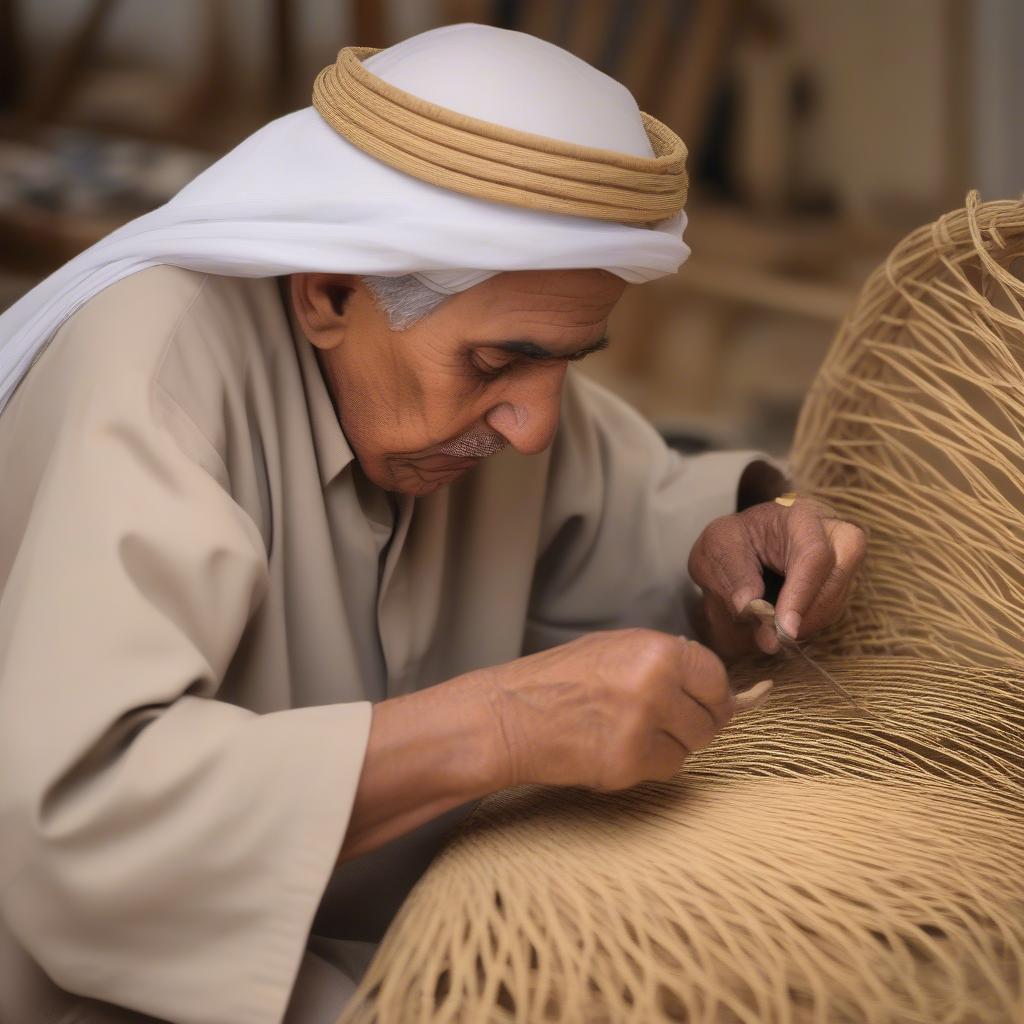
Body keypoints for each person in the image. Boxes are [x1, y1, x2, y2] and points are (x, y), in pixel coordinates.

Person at [0, 23, 865, 1024]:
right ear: (328, 291)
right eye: (498, 365)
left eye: (567, 362)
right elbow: (81, 825)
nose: (534, 427)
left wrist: (753, 538)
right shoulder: (152, 382)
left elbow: (640, 519)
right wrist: (497, 728)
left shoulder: (475, 370)